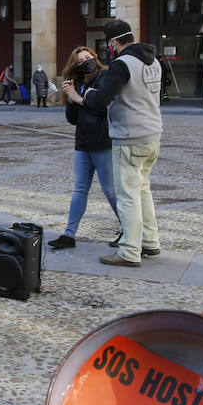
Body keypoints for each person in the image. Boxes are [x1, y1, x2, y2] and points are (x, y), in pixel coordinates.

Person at [82, 18, 163, 268]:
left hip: (129, 137)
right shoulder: (153, 61)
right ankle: (149, 240)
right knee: (142, 189)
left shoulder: (122, 64)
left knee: (127, 196)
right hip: (152, 134)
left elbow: (101, 99)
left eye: (110, 43)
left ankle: (129, 251)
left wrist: (86, 93)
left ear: (114, 42)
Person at [50, 47, 120, 250]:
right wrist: (70, 97)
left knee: (110, 190)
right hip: (82, 144)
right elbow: (72, 119)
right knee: (80, 189)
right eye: (81, 60)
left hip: (102, 142)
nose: (86, 62)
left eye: (88, 58)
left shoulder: (104, 78)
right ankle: (69, 235)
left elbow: (100, 107)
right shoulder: (78, 83)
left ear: (95, 58)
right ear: (76, 65)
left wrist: (79, 98)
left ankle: (129, 229)